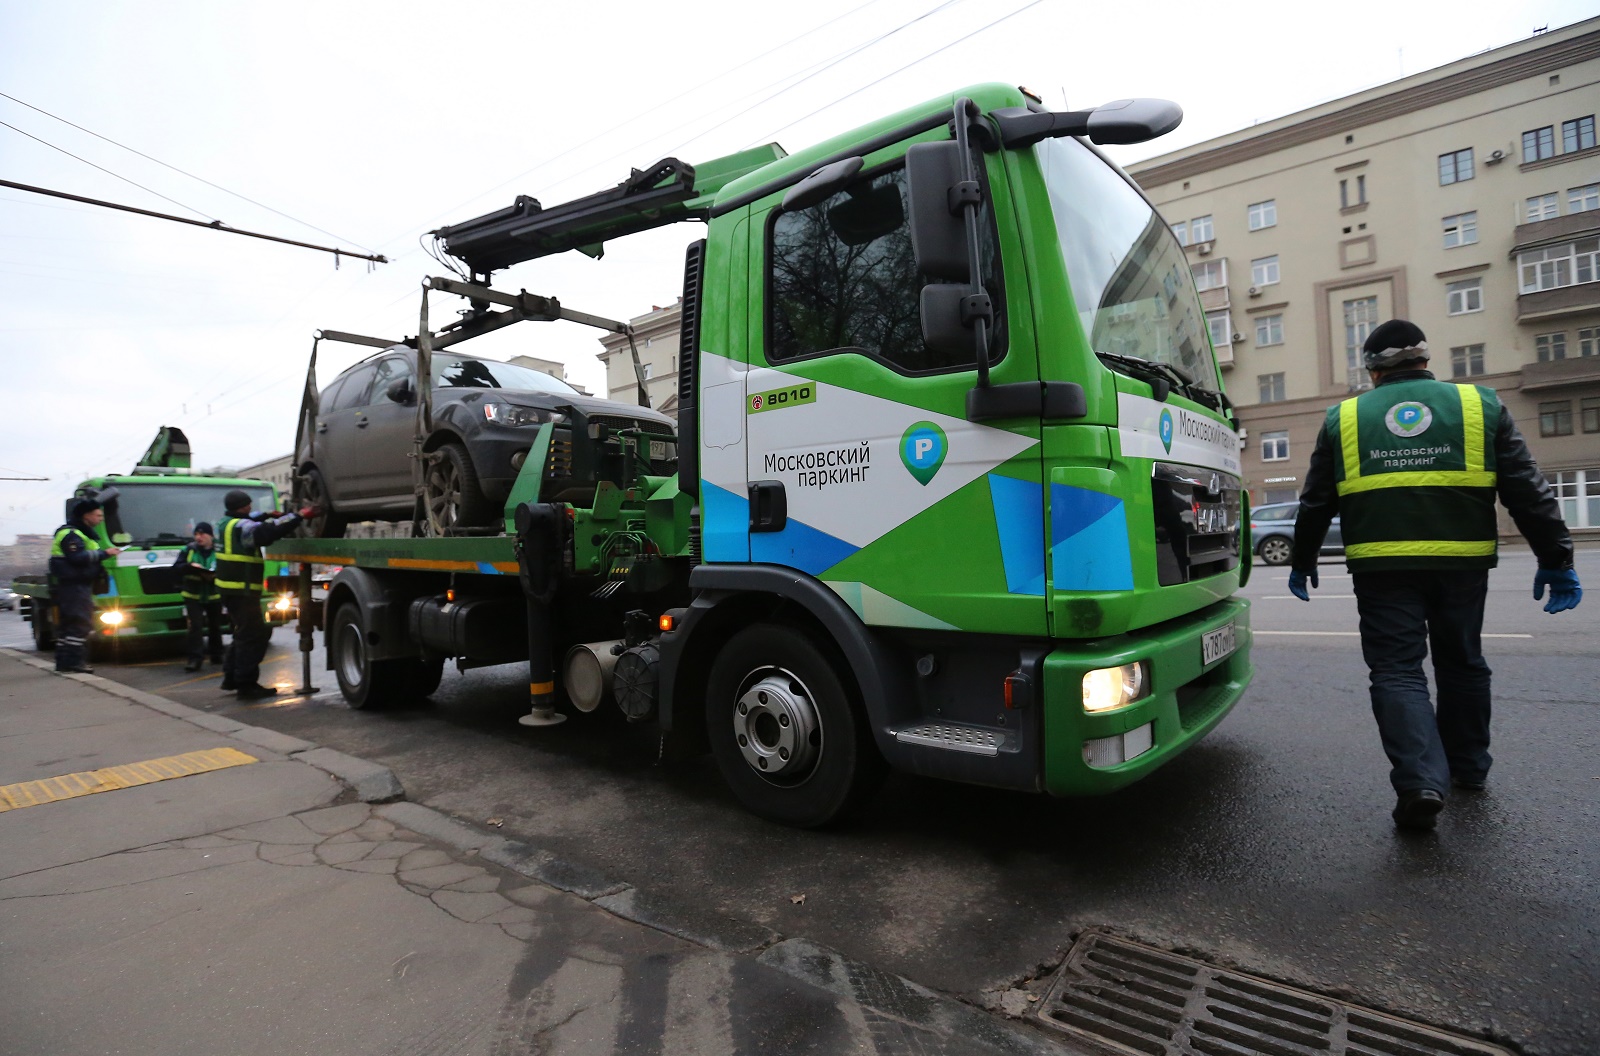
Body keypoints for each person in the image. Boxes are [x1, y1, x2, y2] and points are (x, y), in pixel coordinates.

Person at [1290, 319, 1581, 830]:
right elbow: (1527, 490)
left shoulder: (1346, 416)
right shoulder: (1480, 405)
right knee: (1463, 663)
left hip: (1382, 567)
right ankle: (1468, 769)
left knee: (1398, 670)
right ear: (1425, 359)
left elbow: (1317, 500)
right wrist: (1555, 557)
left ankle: (1421, 782)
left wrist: (1304, 558)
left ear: (1373, 369)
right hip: (1462, 564)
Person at [217, 490, 313, 701]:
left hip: (231, 590)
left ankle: (231, 678)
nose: (251, 508)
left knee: (242, 634)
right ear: (242, 507)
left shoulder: (225, 523)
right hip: (242, 590)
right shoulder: (242, 527)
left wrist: (268, 513)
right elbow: (266, 533)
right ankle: (246, 685)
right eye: (248, 505)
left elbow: (254, 519)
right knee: (254, 635)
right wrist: (298, 516)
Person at [48, 498, 121, 673]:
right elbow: (77, 558)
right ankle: (75, 662)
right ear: (86, 516)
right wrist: (104, 554)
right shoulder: (72, 534)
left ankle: (64, 663)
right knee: (79, 624)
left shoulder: (78, 533)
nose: (101, 518)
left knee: (68, 627)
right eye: (98, 515)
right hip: (74, 586)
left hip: (74, 585)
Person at [174, 522, 224, 673]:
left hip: (214, 594)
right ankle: (195, 659)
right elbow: (176, 567)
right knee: (195, 626)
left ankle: (217, 655)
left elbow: (227, 567)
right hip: (193, 594)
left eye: (202, 534)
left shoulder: (220, 549)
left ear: (211, 535)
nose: (199, 537)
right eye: (196, 534)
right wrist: (189, 567)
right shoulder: (189, 550)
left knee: (215, 625)